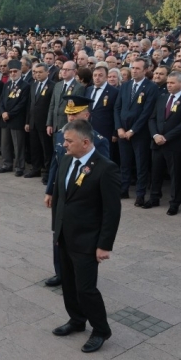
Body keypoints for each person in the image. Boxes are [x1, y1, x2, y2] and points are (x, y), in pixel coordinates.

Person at [49, 118, 121, 353]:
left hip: (88, 241)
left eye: (69, 141)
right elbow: (60, 198)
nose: (64, 145)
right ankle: (77, 320)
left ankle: (101, 330)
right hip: (65, 236)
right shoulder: (67, 160)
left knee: (86, 289)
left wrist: (104, 245)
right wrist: (56, 231)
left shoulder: (105, 168)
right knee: (68, 284)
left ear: (86, 142)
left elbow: (112, 211)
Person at [44, 95, 110, 287]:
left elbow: (102, 173)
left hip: (82, 197)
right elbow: (55, 166)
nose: (71, 118)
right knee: (58, 232)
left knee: (79, 236)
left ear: (87, 115)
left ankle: (80, 273)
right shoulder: (60, 135)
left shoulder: (99, 141)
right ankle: (61, 272)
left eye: (76, 114)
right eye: (68, 114)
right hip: (62, 193)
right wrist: (50, 191)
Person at [145, 71, 181, 215]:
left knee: (175, 176)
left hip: (175, 145)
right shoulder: (162, 98)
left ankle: (175, 203)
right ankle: (154, 197)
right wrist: (156, 135)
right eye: (168, 82)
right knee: (155, 173)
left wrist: (166, 137)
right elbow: (152, 118)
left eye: (172, 83)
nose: (168, 85)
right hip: (157, 142)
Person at [114, 58, 159, 206]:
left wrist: (133, 130)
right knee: (125, 163)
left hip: (140, 133)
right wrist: (119, 128)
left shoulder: (151, 87)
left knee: (141, 165)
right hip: (123, 132)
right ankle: (124, 189)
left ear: (145, 70)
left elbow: (147, 112)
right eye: (133, 68)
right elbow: (117, 108)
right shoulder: (125, 86)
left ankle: (140, 194)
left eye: (138, 68)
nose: (134, 70)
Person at [0, 59, 31, 175]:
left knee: (18, 145)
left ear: (20, 71)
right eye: (11, 71)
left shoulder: (25, 86)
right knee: (5, 144)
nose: (12, 73)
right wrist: (3, 112)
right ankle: (7, 164)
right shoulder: (6, 85)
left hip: (16, 119)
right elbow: (1, 100)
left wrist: (9, 114)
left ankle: (19, 167)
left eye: (15, 71)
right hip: (5, 119)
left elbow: (22, 104)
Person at [25, 63, 54, 182]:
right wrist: (27, 122)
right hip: (33, 122)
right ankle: (35, 168)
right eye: (36, 72)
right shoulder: (33, 85)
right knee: (34, 147)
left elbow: (52, 106)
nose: (37, 74)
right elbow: (30, 104)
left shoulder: (52, 86)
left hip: (44, 123)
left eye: (40, 72)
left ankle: (47, 172)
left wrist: (50, 123)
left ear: (48, 72)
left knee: (46, 149)